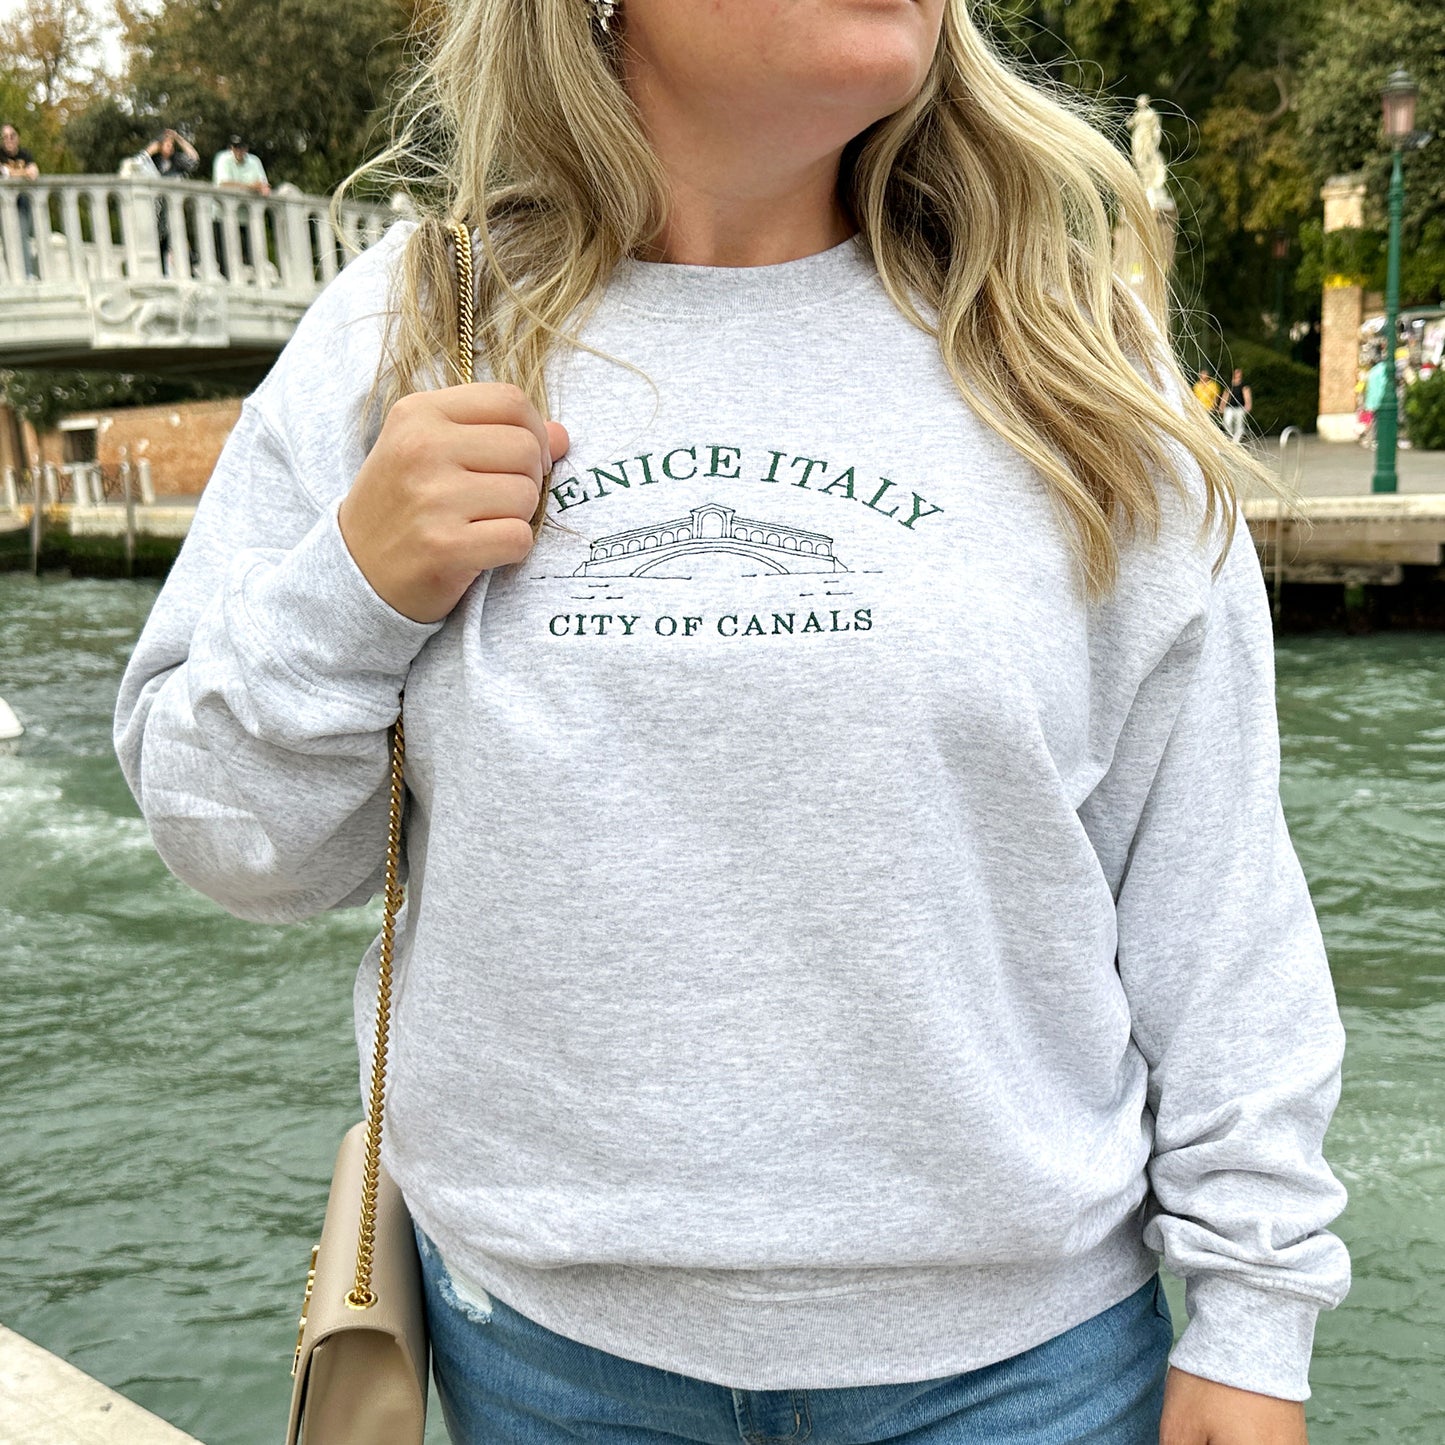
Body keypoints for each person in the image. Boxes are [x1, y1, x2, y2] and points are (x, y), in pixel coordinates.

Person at [115, 4, 1350, 1444]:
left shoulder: (1067, 352)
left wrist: (1257, 1318)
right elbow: (236, 849)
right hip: (543, 1356)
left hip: (1028, 1372)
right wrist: (357, 583)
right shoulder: (408, 328)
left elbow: (1213, 886)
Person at [210, 135, 269, 275]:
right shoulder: (223, 159)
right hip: (222, 216)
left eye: (241, 147)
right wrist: (251, 187)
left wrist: (255, 187)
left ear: (246, 148)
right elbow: (224, 184)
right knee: (225, 257)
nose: (238, 151)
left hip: (247, 218)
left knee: (251, 255)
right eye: (235, 147)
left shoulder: (254, 161)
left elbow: (264, 187)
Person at [145, 129, 200, 276]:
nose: (170, 147)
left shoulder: (177, 161)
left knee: (179, 240)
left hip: (174, 211)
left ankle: (190, 270)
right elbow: (136, 163)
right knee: (160, 245)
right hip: (156, 212)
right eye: (166, 144)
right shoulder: (152, 163)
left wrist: (179, 138)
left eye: (171, 144)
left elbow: (194, 159)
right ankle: (162, 275)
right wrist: (151, 149)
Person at [1, 122, 40, 280]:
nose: (9, 140)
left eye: (12, 136)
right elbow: (5, 173)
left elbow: (34, 173)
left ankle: (28, 273)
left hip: (21, 203)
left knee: (24, 237)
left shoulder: (25, 154)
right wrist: (23, 172)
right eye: (5, 137)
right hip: (2, 205)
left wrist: (14, 172)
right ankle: (11, 276)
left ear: (18, 138)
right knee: (6, 240)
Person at [1217, 366, 1252, 444]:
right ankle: (1230, 436)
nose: (1238, 375)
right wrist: (1221, 406)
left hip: (1239, 408)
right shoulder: (1229, 385)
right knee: (1227, 422)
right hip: (1229, 407)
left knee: (1239, 424)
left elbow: (1247, 395)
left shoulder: (1243, 385)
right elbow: (1225, 396)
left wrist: (1248, 405)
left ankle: (1236, 441)